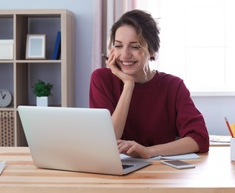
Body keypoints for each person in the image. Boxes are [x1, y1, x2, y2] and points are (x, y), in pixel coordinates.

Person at [89, 9, 209, 159]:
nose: (125, 54)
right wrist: (128, 85)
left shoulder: (173, 86)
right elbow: (107, 140)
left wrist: (148, 152)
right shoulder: (101, 79)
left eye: (135, 46)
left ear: (151, 50)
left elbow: (200, 138)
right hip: (116, 172)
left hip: (160, 172)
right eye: (118, 45)